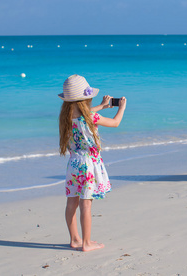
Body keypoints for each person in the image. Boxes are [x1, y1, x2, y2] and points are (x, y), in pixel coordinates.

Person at [58, 74, 126, 251]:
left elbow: (84, 114)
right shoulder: (91, 117)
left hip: (73, 163)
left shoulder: (65, 117)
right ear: (86, 98)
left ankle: (75, 239)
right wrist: (122, 108)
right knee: (86, 204)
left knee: (71, 202)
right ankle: (86, 243)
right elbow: (115, 123)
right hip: (88, 164)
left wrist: (102, 106)